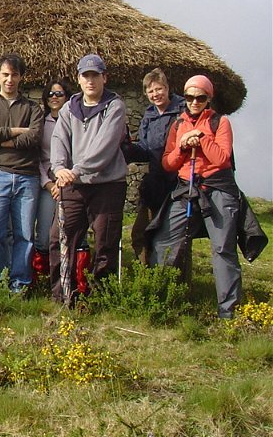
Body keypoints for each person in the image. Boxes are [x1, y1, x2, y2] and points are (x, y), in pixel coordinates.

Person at [148, 75, 242, 319]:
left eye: (200, 97)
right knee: (164, 240)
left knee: (222, 248)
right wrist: (181, 146)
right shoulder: (178, 124)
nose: (194, 102)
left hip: (217, 188)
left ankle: (228, 311)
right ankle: (160, 300)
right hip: (186, 187)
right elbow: (168, 163)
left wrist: (200, 139)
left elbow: (223, 159)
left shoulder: (219, 123)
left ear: (208, 98)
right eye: (189, 97)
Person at [49, 55, 128, 305]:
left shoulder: (115, 107)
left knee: (105, 242)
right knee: (59, 238)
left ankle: (99, 297)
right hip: (74, 185)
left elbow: (104, 146)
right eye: (86, 75)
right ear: (79, 79)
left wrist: (78, 169)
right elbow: (59, 140)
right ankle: (63, 295)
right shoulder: (68, 109)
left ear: (104, 77)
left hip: (107, 185)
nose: (90, 80)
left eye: (95, 75)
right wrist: (60, 168)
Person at [0, 53, 43, 294]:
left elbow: (34, 138)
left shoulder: (33, 108)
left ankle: (20, 285)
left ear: (21, 77)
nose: (10, 79)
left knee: (25, 235)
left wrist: (1, 141)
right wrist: (16, 131)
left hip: (27, 177)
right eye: (5, 74)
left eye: (14, 74)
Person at [127, 68, 186, 260]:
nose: (156, 94)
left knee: (174, 237)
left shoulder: (182, 112)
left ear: (168, 88)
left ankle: (175, 283)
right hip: (155, 185)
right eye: (151, 91)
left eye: (159, 89)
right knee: (141, 233)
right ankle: (146, 278)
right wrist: (125, 148)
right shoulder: (149, 115)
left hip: (178, 186)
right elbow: (144, 149)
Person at [31, 79, 73, 278]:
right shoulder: (41, 123)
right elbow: (36, 156)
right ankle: (44, 277)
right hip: (47, 183)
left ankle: (73, 277)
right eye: (51, 94)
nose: (54, 98)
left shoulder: (75, 121)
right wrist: (47, 183)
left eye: (59, 94)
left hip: (70, 181)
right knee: (45, 233)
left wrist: (65, 179)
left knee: (72, 231)